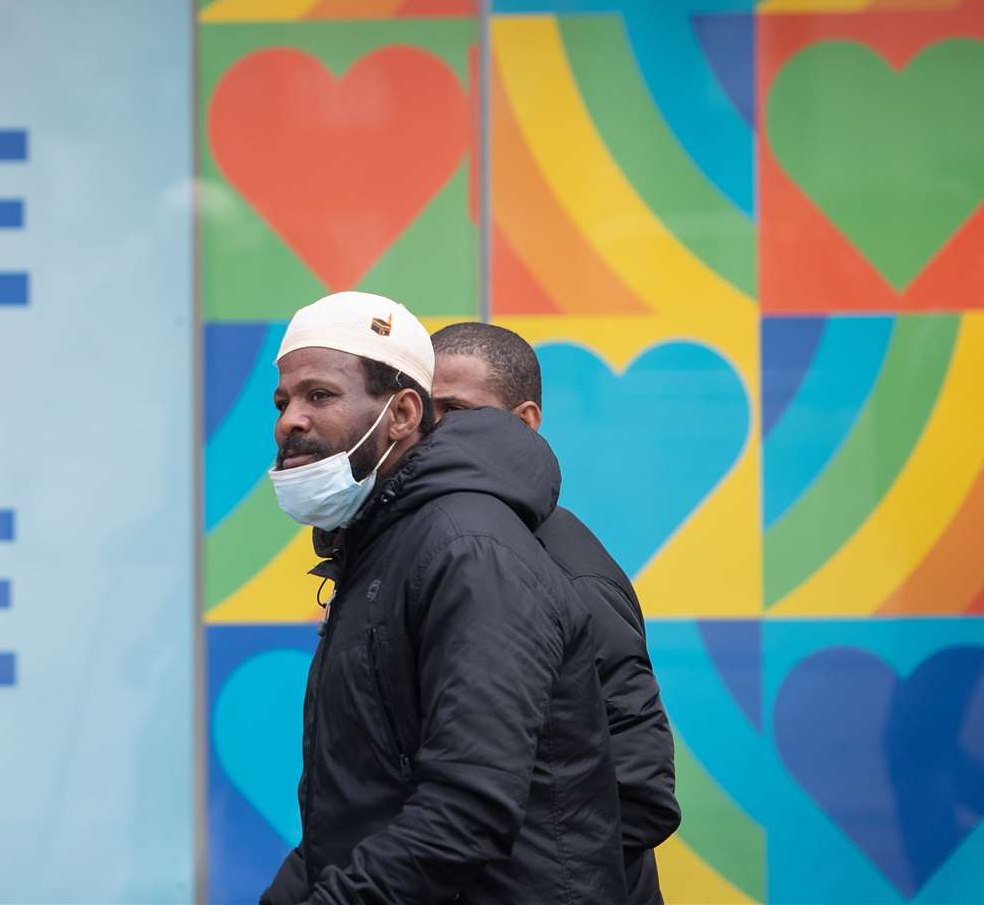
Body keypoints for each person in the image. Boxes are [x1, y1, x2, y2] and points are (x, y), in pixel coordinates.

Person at [260, 291, 626, 905]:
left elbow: (468, 808)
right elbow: (369, 800)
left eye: (319, 395)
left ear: (404, 414)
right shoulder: (384, 544)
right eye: (283, 400)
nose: (289, 420)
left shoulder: (468, 548)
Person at [431, 321, 681, 904]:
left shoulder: (570, 574)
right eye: (424, 413)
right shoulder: (442, 549)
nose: (432, 435)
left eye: (457, 411)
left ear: (525, 423)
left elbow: (640, 792)